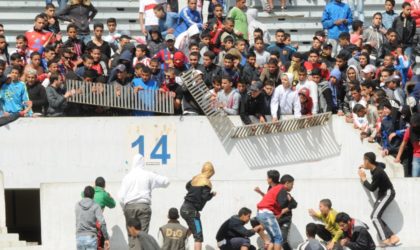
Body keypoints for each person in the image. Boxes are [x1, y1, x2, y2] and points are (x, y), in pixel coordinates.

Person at [118, 154, 170, 245]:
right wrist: (155, 175)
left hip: (129, 207)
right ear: (143, 163)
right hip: (143, 206)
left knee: (131, 235)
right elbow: (166, 182)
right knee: (143, 235)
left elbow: (121, 197)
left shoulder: (127, 177)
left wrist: (124, 208)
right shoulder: (149, 175)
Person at [358, 152, 400, 246]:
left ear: (368, 161)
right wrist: (366, 167)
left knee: (374, 217)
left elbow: (372, 188)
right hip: (382, 194)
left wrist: (364, 179)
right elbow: (383, 165)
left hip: (387, 193)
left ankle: (385, 239)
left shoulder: (377, 172)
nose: (363, 162)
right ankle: (393, 237)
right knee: (376, 216)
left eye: (364, 160)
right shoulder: (376, 166)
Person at [180, 162, 216, 250]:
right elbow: (205, 197)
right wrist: (211, 195)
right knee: (198, 235)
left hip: (184, 208)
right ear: (210, 172)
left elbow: (187, 186)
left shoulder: (195, 178)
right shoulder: (206, 182)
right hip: (192, 211)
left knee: (193, 229)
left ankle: (179, 241)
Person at [75, 186, 110, 250]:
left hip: (79, 237)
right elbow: (102, 223)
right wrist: (106, 238)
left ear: (84, 194)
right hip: (91, 237)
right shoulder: (96, 206)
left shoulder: (77, 205)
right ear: (93, 196)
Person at [277, 175, 297, 250]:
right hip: (277, 219)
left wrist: (285, 210)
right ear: (287, 183)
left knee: (282, 239)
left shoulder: (286, 193)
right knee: (277, 240)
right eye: (292, 184)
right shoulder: (278, 191)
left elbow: (294, 204)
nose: (292, 187)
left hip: (285, 220)